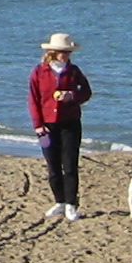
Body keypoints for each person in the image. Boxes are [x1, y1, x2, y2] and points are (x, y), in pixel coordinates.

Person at [28, 31, 93, 222]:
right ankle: (59, 201)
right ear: (53, 52)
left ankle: (71, 204)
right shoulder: (39, 72)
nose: (65, 55)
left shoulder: (73, 71)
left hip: (70, 123)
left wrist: (73, 97)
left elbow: (87, 91)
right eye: (61, 52)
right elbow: (33, 99)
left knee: (70, 165)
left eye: (67, 52)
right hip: (47, 125)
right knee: (53, 167)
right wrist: (38, 125)